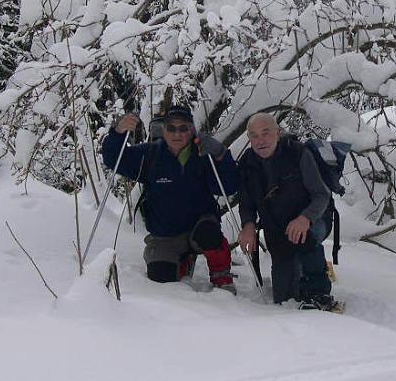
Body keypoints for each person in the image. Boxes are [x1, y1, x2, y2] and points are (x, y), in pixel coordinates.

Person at [101, 106, 238, 292]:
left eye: (183, 128)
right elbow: (113, 159)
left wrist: (222, 154)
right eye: (171, 128)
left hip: (200, 230)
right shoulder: (150, 155)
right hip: (165, 235)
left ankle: (221, 274)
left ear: (192, 130)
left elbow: (229, 187)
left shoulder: (204, 156)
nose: (177, 133)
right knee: (161, 277)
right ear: (163, 130)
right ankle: (182, 260)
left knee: (209, 233)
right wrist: (118, 132)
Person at [237, 113, 340, 311]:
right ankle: (300, 269)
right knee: (283, 298)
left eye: (265, 133)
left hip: (314, 219)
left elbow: (321, 195)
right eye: (254, 136)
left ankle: (319, 294)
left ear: (278, 132)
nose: (260, 141)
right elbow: (246, 203)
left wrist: (305, 218)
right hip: (277, 228)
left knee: (305, 238)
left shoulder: (298, 154)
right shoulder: (247, 164)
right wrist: (248, 225)